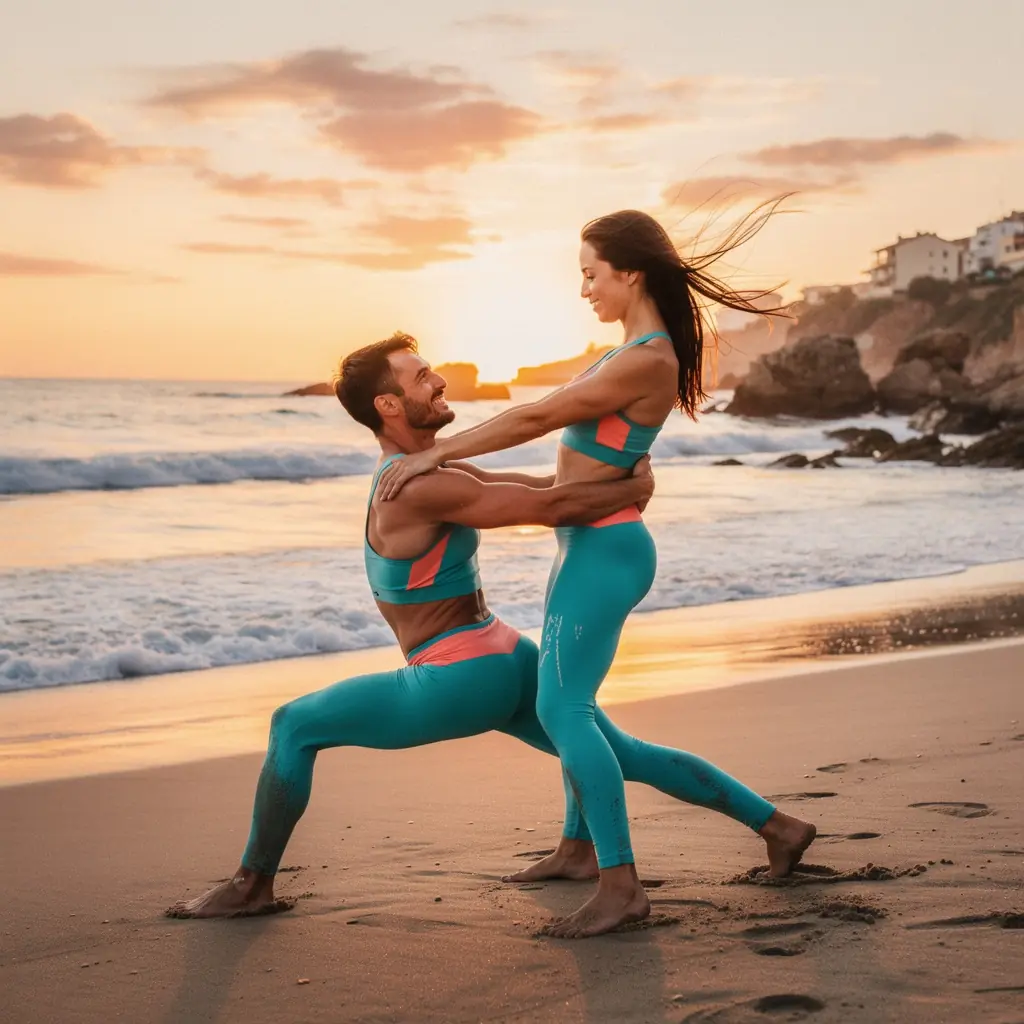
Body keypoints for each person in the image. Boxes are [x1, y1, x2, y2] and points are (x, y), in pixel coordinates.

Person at [374, 208, 817, 938]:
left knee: (563, 713)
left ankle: (624, 886)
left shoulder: (645, 357)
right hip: (585, 545)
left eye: (589, 272)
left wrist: (434, 455)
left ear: (629, 270)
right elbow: (561, 465)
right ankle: (600, 846)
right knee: (573, 711)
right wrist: (466, 472)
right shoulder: (630, 350)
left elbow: (537, 417)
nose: (583, 288)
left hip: (606, 551)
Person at [166, 332, 652, 920]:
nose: (439, 381)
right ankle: (768, 823)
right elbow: (547, 493)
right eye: (422, 377)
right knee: (607, 747)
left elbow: (549, 502)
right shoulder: (424, 476)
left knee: (292, 725)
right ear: (388, 405)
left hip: (457, 672)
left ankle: (251, 885)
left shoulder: (416, 478)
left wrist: (631, 487)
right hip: (501, 649)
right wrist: (628, 486)